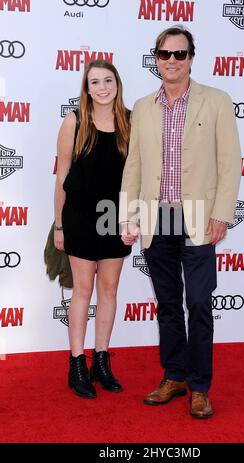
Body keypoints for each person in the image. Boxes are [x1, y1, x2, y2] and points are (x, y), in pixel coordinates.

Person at [120, 26, 241, 418]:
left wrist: (223, 212)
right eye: (165, 54)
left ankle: (200, 387)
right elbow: (134, 165)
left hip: (199, 217)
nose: (172, 61)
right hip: (157, 217)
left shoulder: (217, 101)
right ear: (156, 58)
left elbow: (230, 162)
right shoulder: (142, 107)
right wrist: (129, 216)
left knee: (200, 302)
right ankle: (174, 376)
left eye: (180, 54)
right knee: (169, 303)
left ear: (191, 57)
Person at [54, 60, 131, 399]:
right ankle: (76, 364)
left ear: (117, 83)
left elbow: (139, 177)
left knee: (110, 291)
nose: (102, 87)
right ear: (86, 89)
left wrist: (134, 217)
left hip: (116, 217)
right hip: (81, 216)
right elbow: (61, 178)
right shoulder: (74, 121)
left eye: (108, 80)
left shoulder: (131, 121)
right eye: (95, 82)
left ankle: (102, 360)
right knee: (83, 291)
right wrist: (59, 224)